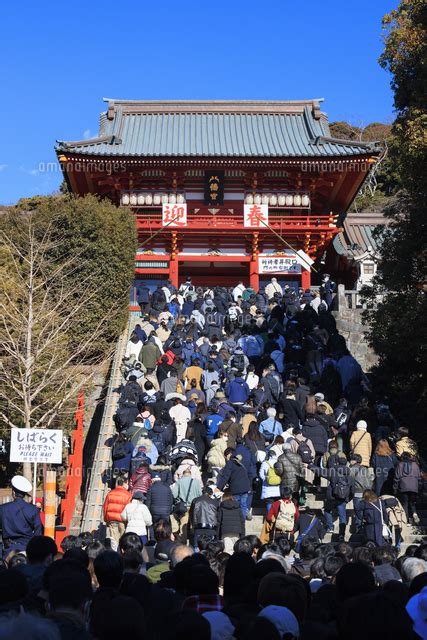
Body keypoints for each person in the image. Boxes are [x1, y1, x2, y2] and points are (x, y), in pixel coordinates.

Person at [0, 475, 42, 557]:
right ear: (24, 494)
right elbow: (38, 533)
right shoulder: (33, 509)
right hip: (27, 549)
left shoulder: (2, 509)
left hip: (8, 549)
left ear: (13, 492)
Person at [216, 450, 251, 519]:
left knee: (235, 506)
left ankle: (236, 522)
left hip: (236, 489)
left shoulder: (230, 463)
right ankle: (242, 522)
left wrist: (219, 487)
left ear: (229, 455)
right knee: (243, 506)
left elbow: (225, 476)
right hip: (245, 488)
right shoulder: (241, 462)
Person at [102, 477, 131, 551]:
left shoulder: (110, 493)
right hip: (123, 520)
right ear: (124, 483)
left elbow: (105, 507)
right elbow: (129, 510)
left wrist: (106, 519)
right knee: (123, 540)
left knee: (114, 541)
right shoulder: (128, 495)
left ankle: (114, 556)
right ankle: (121, 555)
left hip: (112, 520)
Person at [393, 452, 421, 524]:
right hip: (414, 487)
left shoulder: (400, 465)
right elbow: (419, 477)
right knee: (412, 503)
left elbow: (397, 477)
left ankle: (407, 521)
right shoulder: (415, 465)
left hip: (403, 486)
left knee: (405, 504)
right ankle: (414, 513)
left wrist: (395, 489)